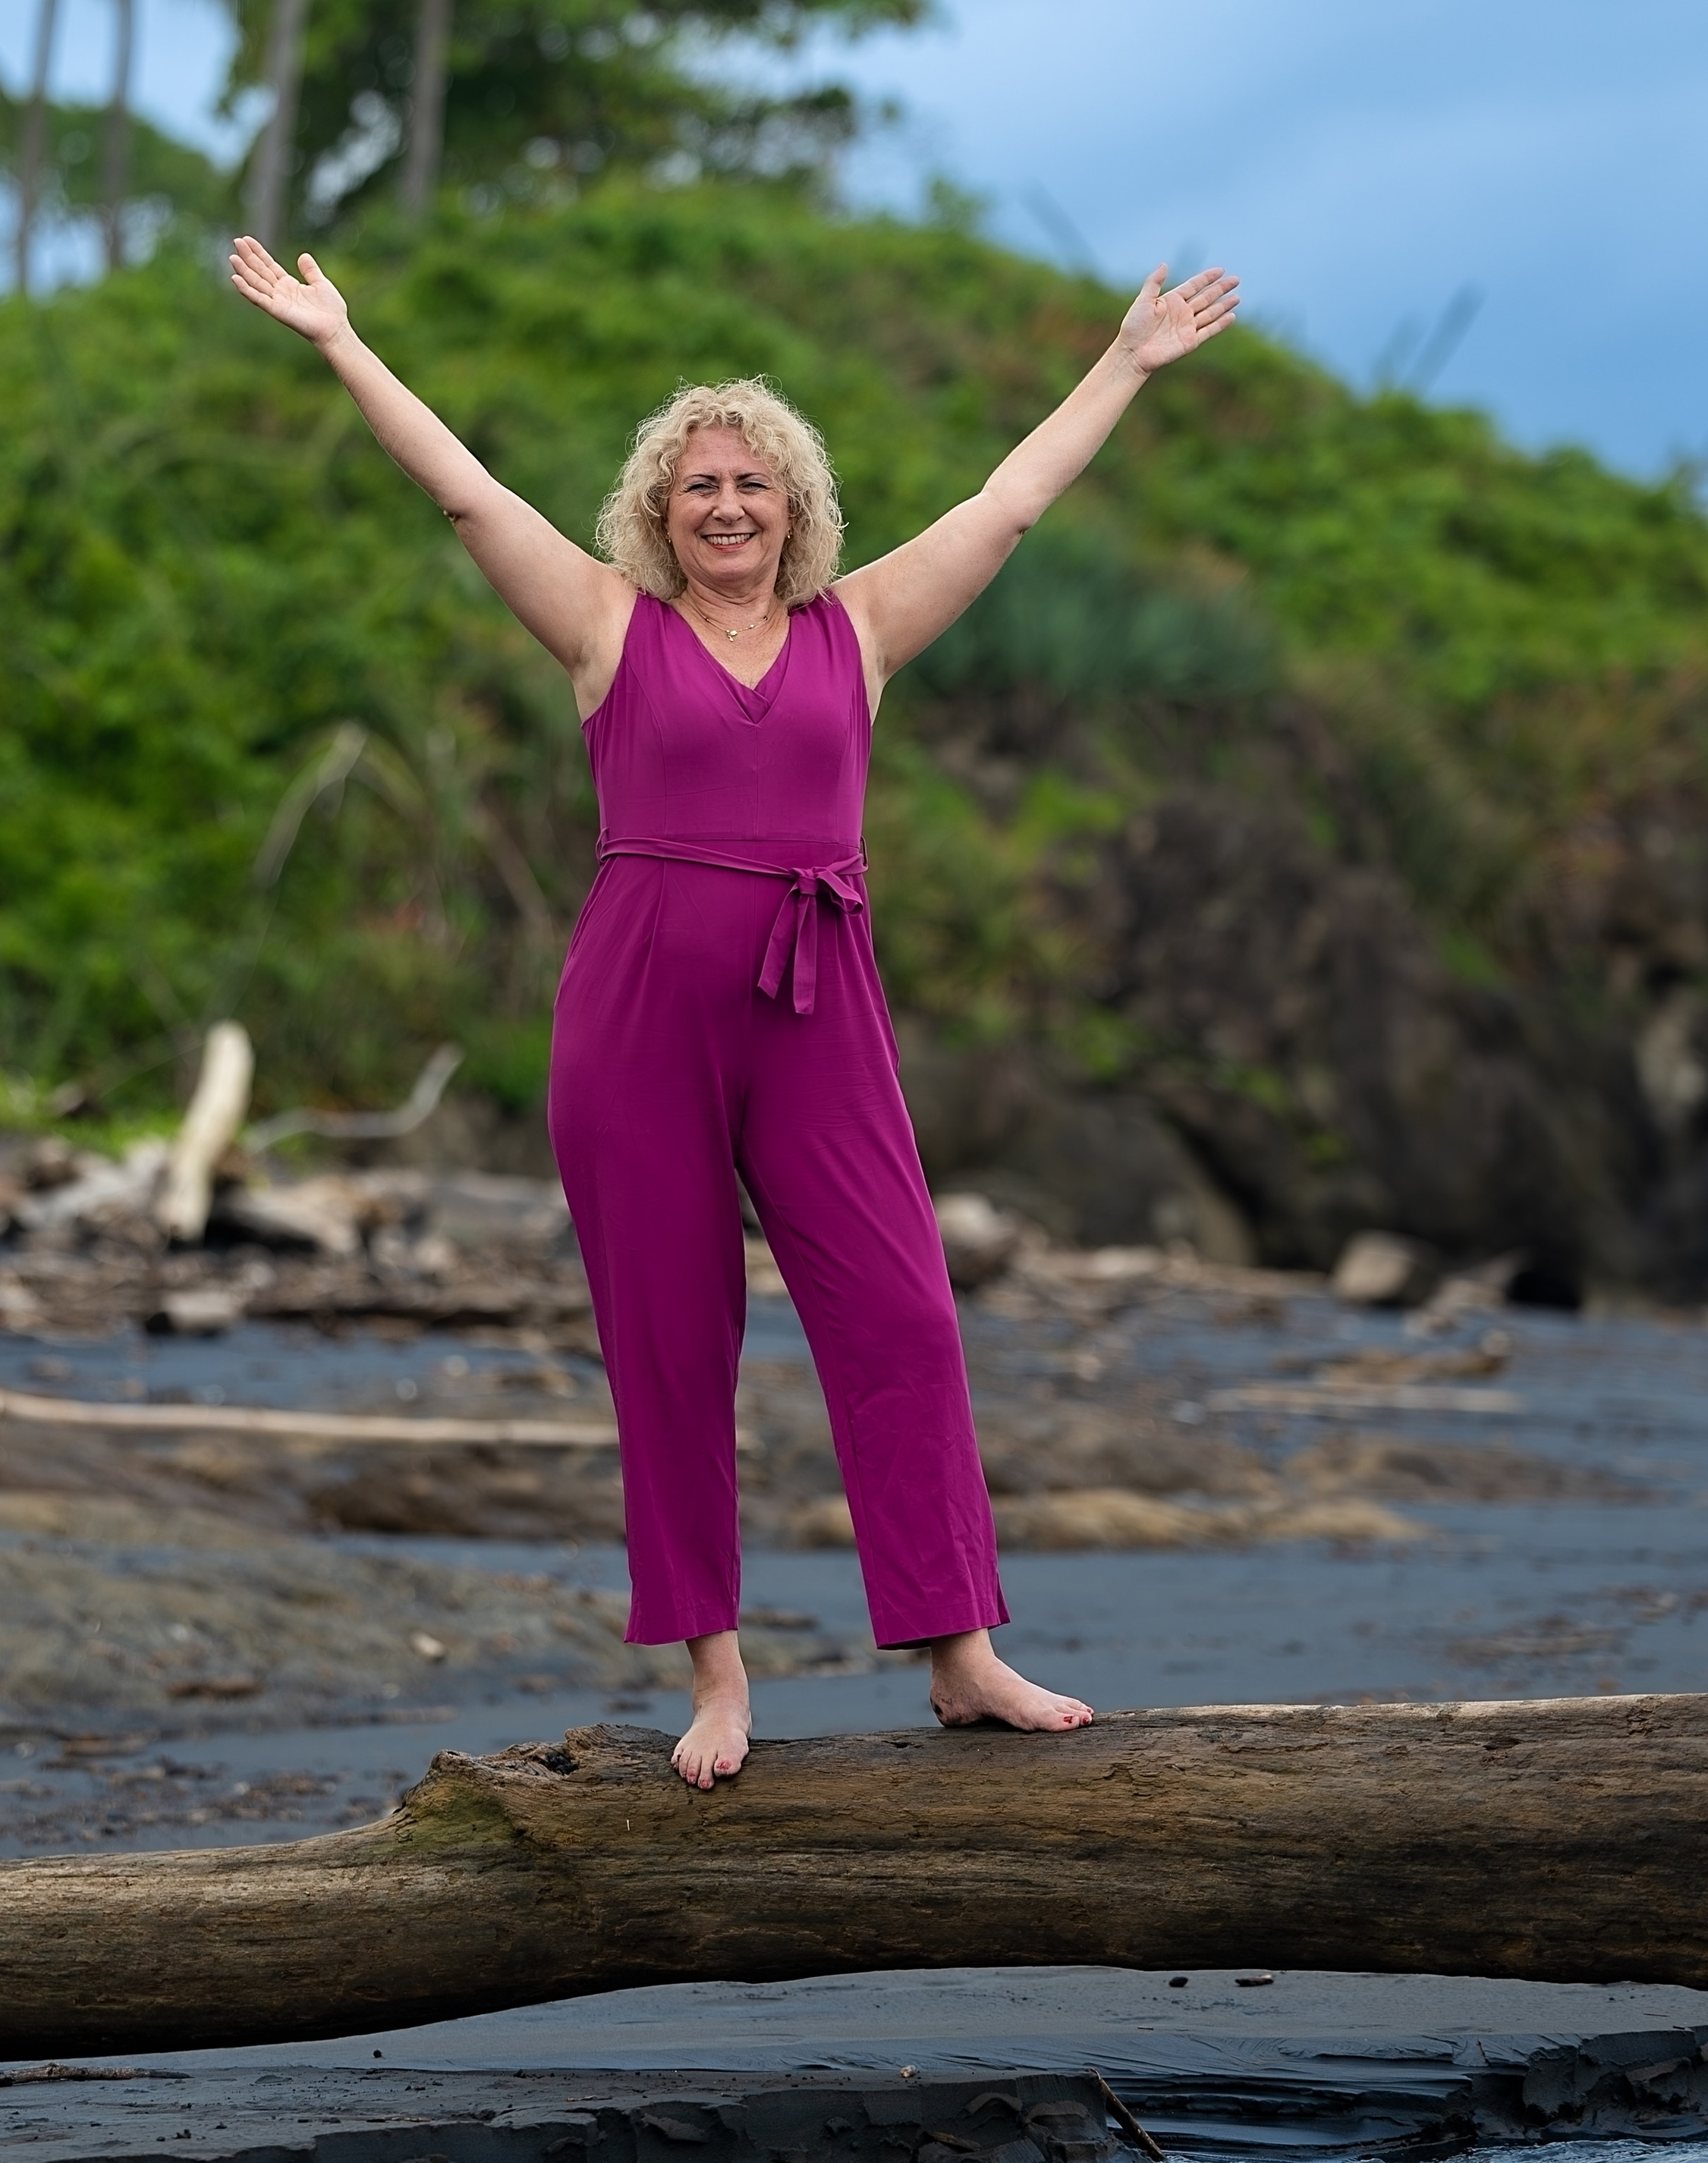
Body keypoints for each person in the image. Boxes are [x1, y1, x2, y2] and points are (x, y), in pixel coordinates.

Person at [229, 232, 1238, 1785]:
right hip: (637, 1013)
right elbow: (467, 495)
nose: (724, 504)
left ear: (793, 506)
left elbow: (1008, 502)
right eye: (696, 484)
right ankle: (717, 1675)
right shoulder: (604, 628)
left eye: (750, 482)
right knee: (668, 1340)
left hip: (819, 1000)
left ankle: (959, 1652)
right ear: (658, 510)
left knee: (903, 1311)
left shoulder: (863, 628)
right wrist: (341, 342)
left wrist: (1121, 362)